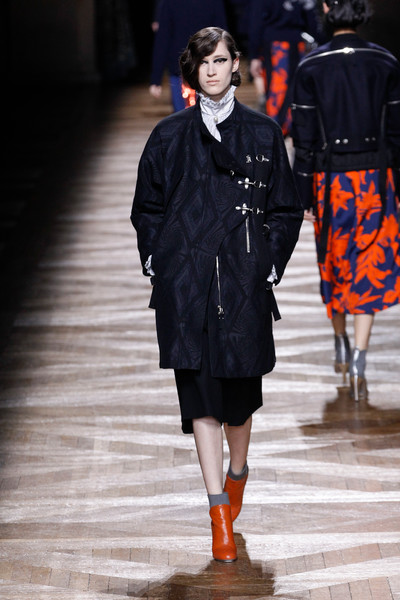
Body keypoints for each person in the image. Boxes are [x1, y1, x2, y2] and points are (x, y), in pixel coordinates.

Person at [131, 27, 303, 562]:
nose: (212, 69)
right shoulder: (169, 135)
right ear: (194, 68)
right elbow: (147, 207)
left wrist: (267, 264)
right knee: (201, 401)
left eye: (221, 60)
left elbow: (286, 208)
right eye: (204, 61)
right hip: (187, 287)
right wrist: (159, 261)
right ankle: (218, 513)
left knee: (238, 404)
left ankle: (237, 473)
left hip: (242, 285)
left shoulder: (262, 132)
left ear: (235, 65)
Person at [291, 0, 400, 401]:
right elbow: (397, 134)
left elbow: (303, 140)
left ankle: (340, 340)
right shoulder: (385, 61)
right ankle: (359, 354)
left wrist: (302, 194)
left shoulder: (310, 65)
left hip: (331, 181)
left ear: (325, 8)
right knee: (367, 263)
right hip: (376, 179)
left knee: (335, 262)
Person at [248, 0, 324, 133]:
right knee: (286, 93)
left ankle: (278, 134)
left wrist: (254, 55)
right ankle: (282, 133)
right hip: (288, 45)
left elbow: (256, 19)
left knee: (281, 93)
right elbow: (311, 18)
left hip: (280, 44)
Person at [149, 0, 228, 112]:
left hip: (181, 66)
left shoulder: (169, 3)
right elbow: (221, 36)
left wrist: (156, 79)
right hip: (204, 65)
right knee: (207, 114)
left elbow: (163, 39)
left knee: (182, 116)